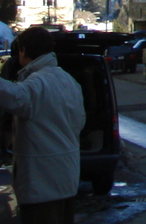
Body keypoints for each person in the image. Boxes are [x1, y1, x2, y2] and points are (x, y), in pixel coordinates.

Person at [0, 27, 86, 223]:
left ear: (23, 50)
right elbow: (80, 122)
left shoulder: (37, 84)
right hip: (67, 177)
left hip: (41, 183)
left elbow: (11, 96)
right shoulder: (68, 80)